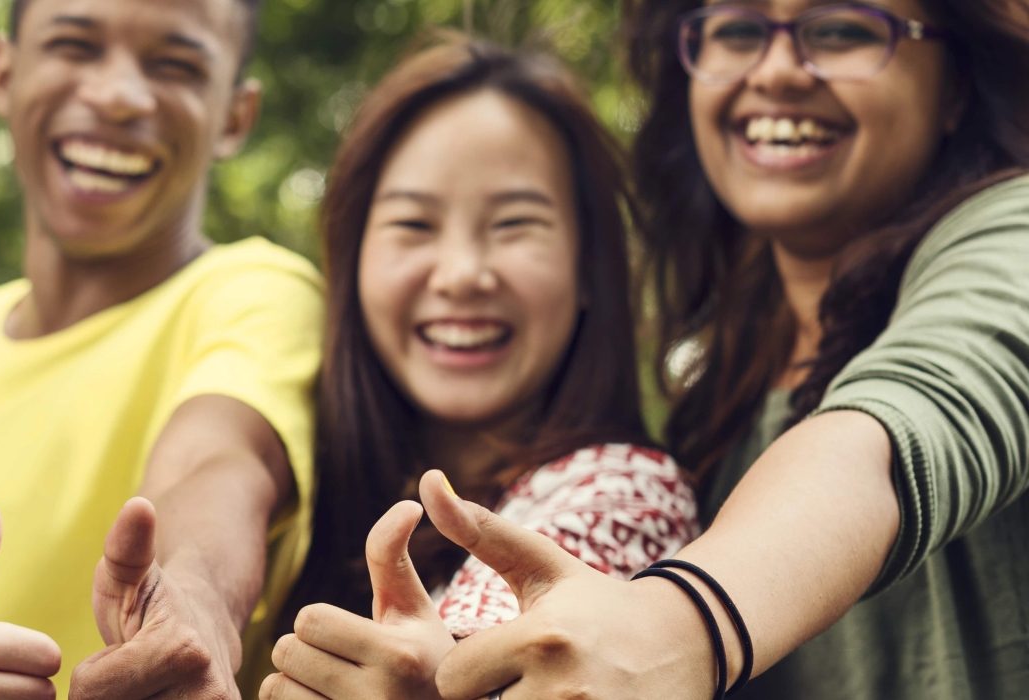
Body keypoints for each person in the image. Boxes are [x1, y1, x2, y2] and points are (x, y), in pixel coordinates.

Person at [415, 2, 1029, 698]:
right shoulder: (715, 401)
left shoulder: (1015, 236)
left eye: (842, 29)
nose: (776, 72)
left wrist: (677, 624)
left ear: (954, 85)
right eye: (737, 29)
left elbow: (902, 427)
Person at [0, 0, 322, 696]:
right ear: (3, 74)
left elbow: (220, 462)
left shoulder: (255, 292)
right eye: (75, 46)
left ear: (235, 116)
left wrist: (192, 602)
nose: (117, 96)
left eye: (176, 64)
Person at [257, 38, 695, 700]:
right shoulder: (297, 497)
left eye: (515, 224)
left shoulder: (627, 495)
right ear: (354, 262)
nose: (462, 274)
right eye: (414, 223)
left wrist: (446, 681)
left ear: (587, 270)